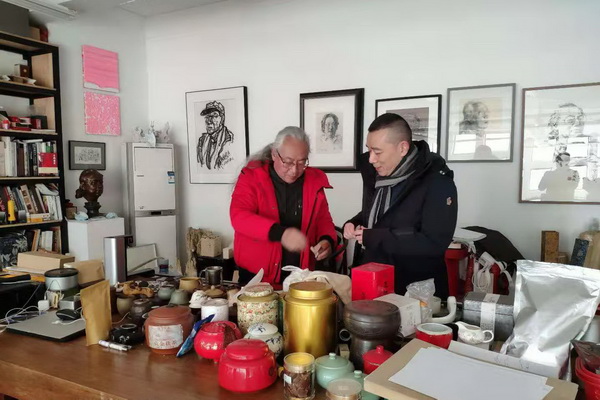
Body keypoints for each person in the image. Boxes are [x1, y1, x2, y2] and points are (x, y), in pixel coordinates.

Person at [343, 113, 457, 297]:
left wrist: (374, 237)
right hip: (374, 282)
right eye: (369, 150)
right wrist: (354, 222)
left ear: (403, 148)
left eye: (377, 152)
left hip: (415, 291)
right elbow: (379, 215)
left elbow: (433, 243)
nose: (371, 159)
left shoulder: (438, 183)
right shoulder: (378, 175)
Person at [230, 126, 337, 286]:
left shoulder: (314, 182)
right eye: (288, 162)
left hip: (300, 274)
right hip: (257, 275)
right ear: (274, 154)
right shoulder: (251, 177)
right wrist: (281, 234)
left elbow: (323, 220)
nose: (294, 170)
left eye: (302, 162)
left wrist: (326, 240)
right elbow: (239, 217)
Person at [196, 101, 234, 170]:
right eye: (207, 116)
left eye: (214, 116)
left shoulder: (229, 139)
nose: (209, 121)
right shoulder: (201, 141)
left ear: (222, 119)